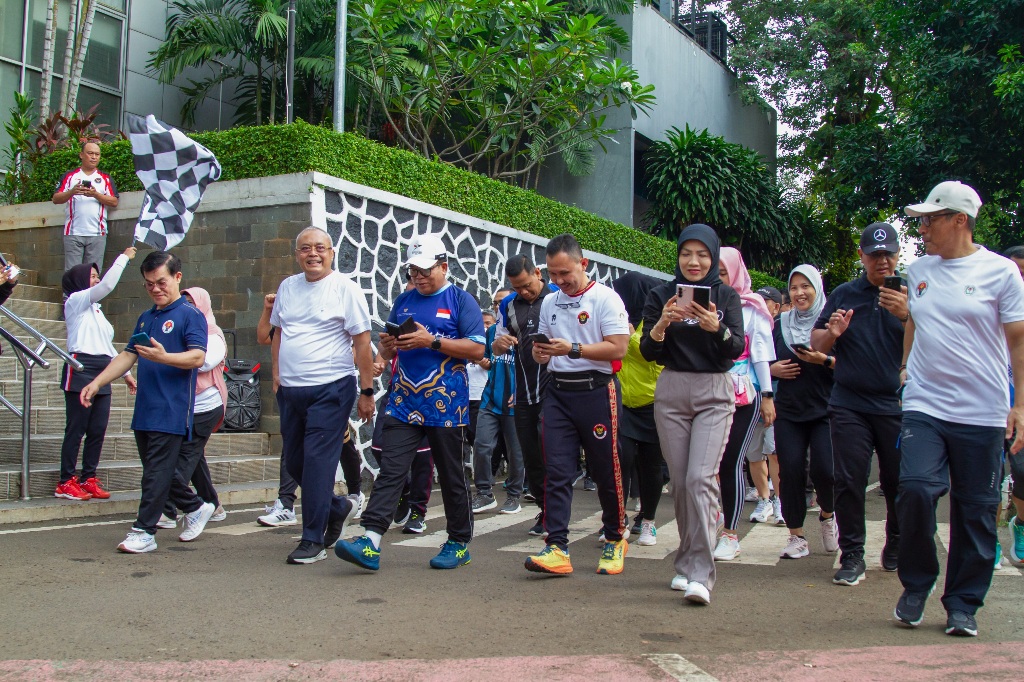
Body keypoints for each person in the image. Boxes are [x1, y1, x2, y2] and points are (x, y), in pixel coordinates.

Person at [894, 181, 1024, 637]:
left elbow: (1018, 341)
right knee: (913, 488)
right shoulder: (919, 270)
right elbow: (915, 319)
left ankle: (964, 603)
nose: (923, 227)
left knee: (975, 510)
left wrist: (1020, 405)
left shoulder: (1002, 273)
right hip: (925, 404)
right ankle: (917, 582)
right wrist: (906, 366)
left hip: (983, 411)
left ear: (960, 221)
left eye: (931, 219)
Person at [336, 232, 485, 571]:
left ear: (443, 267)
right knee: (391, 469)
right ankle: (371, 540)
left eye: (424, 270)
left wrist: (431, 341)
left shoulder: (462, 301)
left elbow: (477, 350)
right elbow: (389, 348)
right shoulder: (405, 301)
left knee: (450, 475)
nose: (417, 277)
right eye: (412, 271)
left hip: (447, 403)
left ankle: (459, 541)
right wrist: (384, 352)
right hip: (404, 400)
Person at [81, 251, 214, 553]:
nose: (156, 289)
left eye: (161, 282)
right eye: (149, 284)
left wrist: (164, 357)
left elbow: (197, 357)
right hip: (145, 408)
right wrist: (98, 381)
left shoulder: (190, 315)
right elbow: (128, 355)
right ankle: (194, 507)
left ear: (177, 278)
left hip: (171, 409)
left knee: (155, 472)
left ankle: (144, 531)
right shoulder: (146, 316)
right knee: (157, 470)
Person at [640, 224, 745, 604]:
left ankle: (700, 574)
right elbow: (648, 352)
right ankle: (686, 563)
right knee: (682, 483)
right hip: (670, 391)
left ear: (714, 257)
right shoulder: (661, 295)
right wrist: (664, 323)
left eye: (702, 254)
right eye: (687, 253)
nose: (694, 261)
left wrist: (716, 329)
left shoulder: (728, 297)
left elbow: (735, 348)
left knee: (701, 478)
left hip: (714, 392)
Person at [521, 233, 629, 577]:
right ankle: (557, 547)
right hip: (558, 393)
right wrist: (540, 353)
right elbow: (544, 351)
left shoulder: (605, 299)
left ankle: (615, 537)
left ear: (583, 264)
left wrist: (574, 349)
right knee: (556, 470)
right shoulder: (550, 302)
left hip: (597, 392)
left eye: (565, 273)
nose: (559, 281)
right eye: (552, 274)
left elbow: (618, 348)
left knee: (604, 469)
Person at [270, 226, 374, 564]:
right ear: (297, 254)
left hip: (331, 386)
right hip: (291, 389)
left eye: (319, 248)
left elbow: (361, 343)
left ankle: (311, 540)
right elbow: (278, 333)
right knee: (297, 461)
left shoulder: (346, 289)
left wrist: (367, 389)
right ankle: (336, 507)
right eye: (305, 248)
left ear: (331, 252)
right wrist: (276, 374)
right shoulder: (288, 286)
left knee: (317, 461)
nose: (312, 254)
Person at [811, 222, 907, 586]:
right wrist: (832, 333)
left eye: (888, 253)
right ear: (861, 256)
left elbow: (936, 340)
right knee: (849, 478)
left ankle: (896, 541)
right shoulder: (844, 294)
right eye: (874, 254)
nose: (882, 261)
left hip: (897, 405)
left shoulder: (914, 293)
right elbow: (816, 344)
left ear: (898, 254)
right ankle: (852, 554)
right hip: (849, 402)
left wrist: (907, 313)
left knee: (898, 481)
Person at [56, 247, 138, 501]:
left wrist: (125, 374)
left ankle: (88, 477)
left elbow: (106, 345)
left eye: (96, 275)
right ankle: (65, 481)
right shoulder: (75, 301)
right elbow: (107, 286)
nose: (96, 280)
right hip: (81, 368)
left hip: (103, 370)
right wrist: (123, 257)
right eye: (92, 276)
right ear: (80, 280)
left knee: (98, 429)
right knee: (76, 427)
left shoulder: (97, 312)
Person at [713, 247, 776, 561]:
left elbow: (760, 356)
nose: (719, 279)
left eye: (724, 273)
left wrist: (767, 396)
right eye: (717, 273)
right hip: (710, 394)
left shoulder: (752, 307)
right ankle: (712, 519)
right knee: (707, 465)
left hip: (743, 397)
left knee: (730, 463)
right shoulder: (705, 302)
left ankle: (731, 534)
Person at [772, 265, 837, 560]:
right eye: (794, 288)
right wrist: (772, 370)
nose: (799, 293)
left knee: (826, 470)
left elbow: (847, 363)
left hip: (826, 409)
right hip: (789, 410)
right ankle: (796, 536)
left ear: (817, 288)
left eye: (806, 286)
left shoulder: (830, 322)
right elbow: (758, 360)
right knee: (791, 470)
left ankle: (827, 515)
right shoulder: (780, 322)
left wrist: (822, 359)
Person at [494, 254, 557, 536]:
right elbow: (494, 347)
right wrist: (500, 342)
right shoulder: (508, 305)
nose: (523, 292)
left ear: (538, 273)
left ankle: (559, 514)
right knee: (531, 456)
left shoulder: (557, 297)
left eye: (527, 285)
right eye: (517, 287)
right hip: (523, 393)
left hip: (556, 391)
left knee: (552, 452)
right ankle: (545, 512)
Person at [157, 288, 228, 527]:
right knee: (195, 458)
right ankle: (212, 504)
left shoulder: (213, 334)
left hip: (206, 406)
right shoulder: (181, 330)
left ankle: (167, 510)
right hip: (184, 406)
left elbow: (204, 361)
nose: (187, 307)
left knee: (183, 458)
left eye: (192, 303)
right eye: (183, 302)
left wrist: (171, 355)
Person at [612, 272, 664, 546]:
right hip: (623, 403)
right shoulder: (618, 319)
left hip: (653, 403)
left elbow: (652, 358)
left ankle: (648, 520)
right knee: (620, 460)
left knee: (650, 466)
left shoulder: (656, 321)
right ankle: (616, 520)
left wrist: (631, 337)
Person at [471, 297, 525, 515]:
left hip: (516, 404)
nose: (498, 308)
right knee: (482, 446)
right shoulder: (492, 332)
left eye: (502, 305)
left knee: (515, 453)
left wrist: (520, 392)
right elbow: (484, 358)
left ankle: (514, 496)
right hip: (490, 400)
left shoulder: (526, 332)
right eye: (497, 305)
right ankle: (484, 493)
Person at [52, 141, 119, 272]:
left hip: (98, 233)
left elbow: (114, 202)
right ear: (81, 155)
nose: (94, 157)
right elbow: (55, 198)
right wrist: (72, 191)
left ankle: (89, 294)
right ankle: (69, 294)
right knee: (72, 273)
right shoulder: (70, 176)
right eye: (90, 153)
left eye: (97, 154)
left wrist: (95, 194)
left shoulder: (105, 178)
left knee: (93, 274)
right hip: (73, 232)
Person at [748, 286, 784, 524]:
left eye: (766, 300)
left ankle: (780, 501)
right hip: (749, 399)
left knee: (773, 453)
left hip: (775, 401)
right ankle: (764, 499)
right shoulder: (749, 322)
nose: (759, 303)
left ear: (776, 306)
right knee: (753, 454)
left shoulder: (781, 329)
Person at [1003, 247, 1024, 565]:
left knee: (1022, 472)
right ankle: (987, 541)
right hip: (993, 398)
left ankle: (1019, 523)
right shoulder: (989, 304)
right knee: (987, 479)